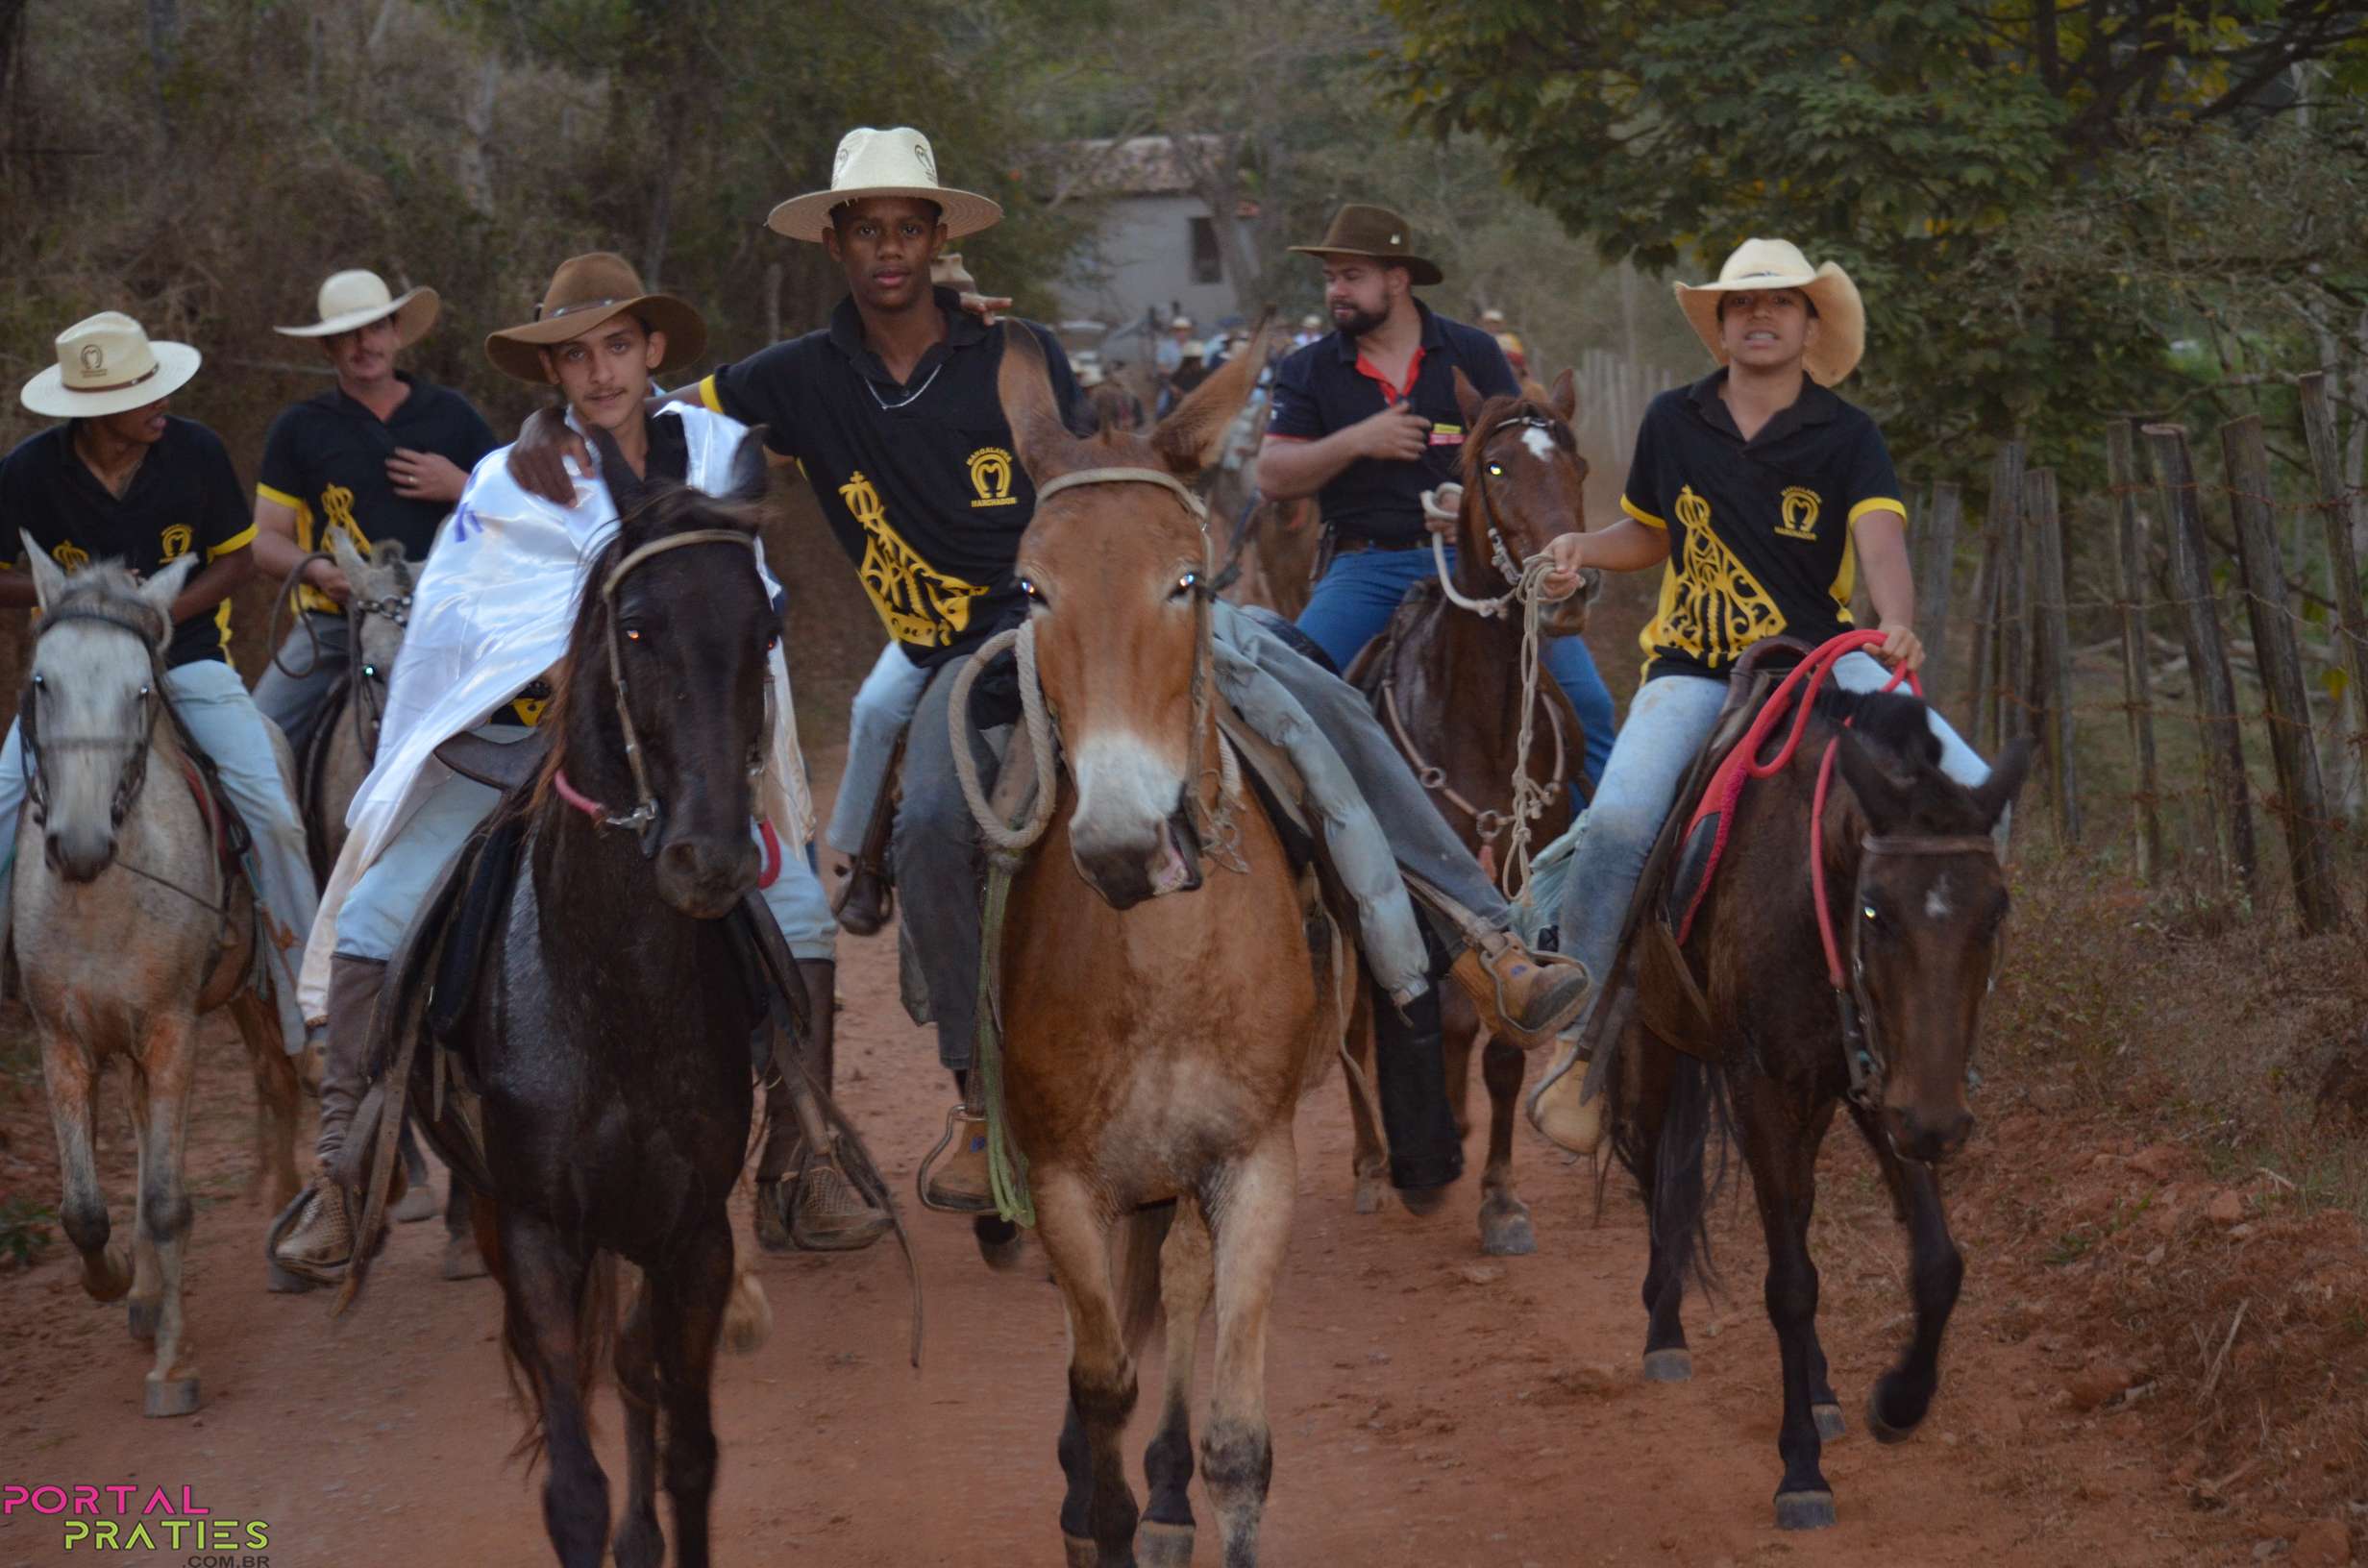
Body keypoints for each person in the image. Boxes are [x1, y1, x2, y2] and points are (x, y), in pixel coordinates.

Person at [503, 127, 1592, 1214]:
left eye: (907, 227)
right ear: (837, 243)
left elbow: (1083, 479)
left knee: (1322, 709)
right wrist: (550, 421)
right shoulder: (790, 377)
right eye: (867, 230)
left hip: (1078, 615)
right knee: (930, 819)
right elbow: (654, 411)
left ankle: (1483, 946)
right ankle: (980, 1105)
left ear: (936, 237)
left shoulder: (1010, 350)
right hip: (954, 658)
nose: (889, 249)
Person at [271, 253, 873, 1283]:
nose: (598, 373)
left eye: (616, 347)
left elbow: (749, 593)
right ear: (552, 371)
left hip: (681, 758)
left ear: (653, 350)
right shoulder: (514, 476)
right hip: (512, 746)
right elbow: (465, 622)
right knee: (376, 916)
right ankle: (349, 1165)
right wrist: (569, 665)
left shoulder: (718, 451)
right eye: (574, 356)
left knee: (803, 915)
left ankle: (800, 1154)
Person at [1522, 237, 1992, 1152]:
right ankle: (1578, 1046)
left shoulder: (1848, 434)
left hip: (1824, 659)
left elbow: (1884, 543)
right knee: (1618, 826)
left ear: (1811, 324)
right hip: (1694, 668)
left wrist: (1894, 619)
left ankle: (1945, 1041)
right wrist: (1583, 546)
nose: (1760, 317)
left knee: (1974, 798)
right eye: (1742, 305)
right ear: (1722, 327)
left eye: (1780, 303)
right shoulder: (1673, 419)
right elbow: (1649, 534)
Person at [0, 312, 320, 1056]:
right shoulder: (26, 472)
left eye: (155, 382)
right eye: (137, 390)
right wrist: (76, 604)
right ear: (92, 408)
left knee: (271, 810)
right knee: (3, 799)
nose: (159, 400)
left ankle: (307, 984)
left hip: (191, 659)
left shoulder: (197, 453)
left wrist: (157, 615)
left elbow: (238, 561)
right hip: (80, 678)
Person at [1257, 204, 1617, 789]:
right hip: (1365, 563)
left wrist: (1470, 503)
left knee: (1589, 706)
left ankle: (1587, 860)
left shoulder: (1472, 351)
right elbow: (1272, 475)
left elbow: (1518, 451)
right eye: (1331, 279)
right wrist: (1357, 440)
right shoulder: (1309, 368)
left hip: (1475, 561)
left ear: (1396, 279)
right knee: (1287, 698)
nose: (1336, 292)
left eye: (1352, 277)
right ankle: (1312, 865)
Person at [249, 271, 497, 756]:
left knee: (527, 730)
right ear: (328, 348)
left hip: (446, 619)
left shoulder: (453, 415)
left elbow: (514, 515)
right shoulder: (299, 428)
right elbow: (266, 538)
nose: (363, 345)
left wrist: (461, 485)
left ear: (397, 333)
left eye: (375, 329)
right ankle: (270, 834)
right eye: (346, 335)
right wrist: (320, 572)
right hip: (335, 625)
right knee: (258, 741)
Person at [1481, 307, 1529, 380]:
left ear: (1501, 325)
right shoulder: (1479, 339)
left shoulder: (1510, 339)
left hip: (1508, 373)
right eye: (1488, 323)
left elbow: (1520, 359)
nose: (1492, 326)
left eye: (1495, 323)